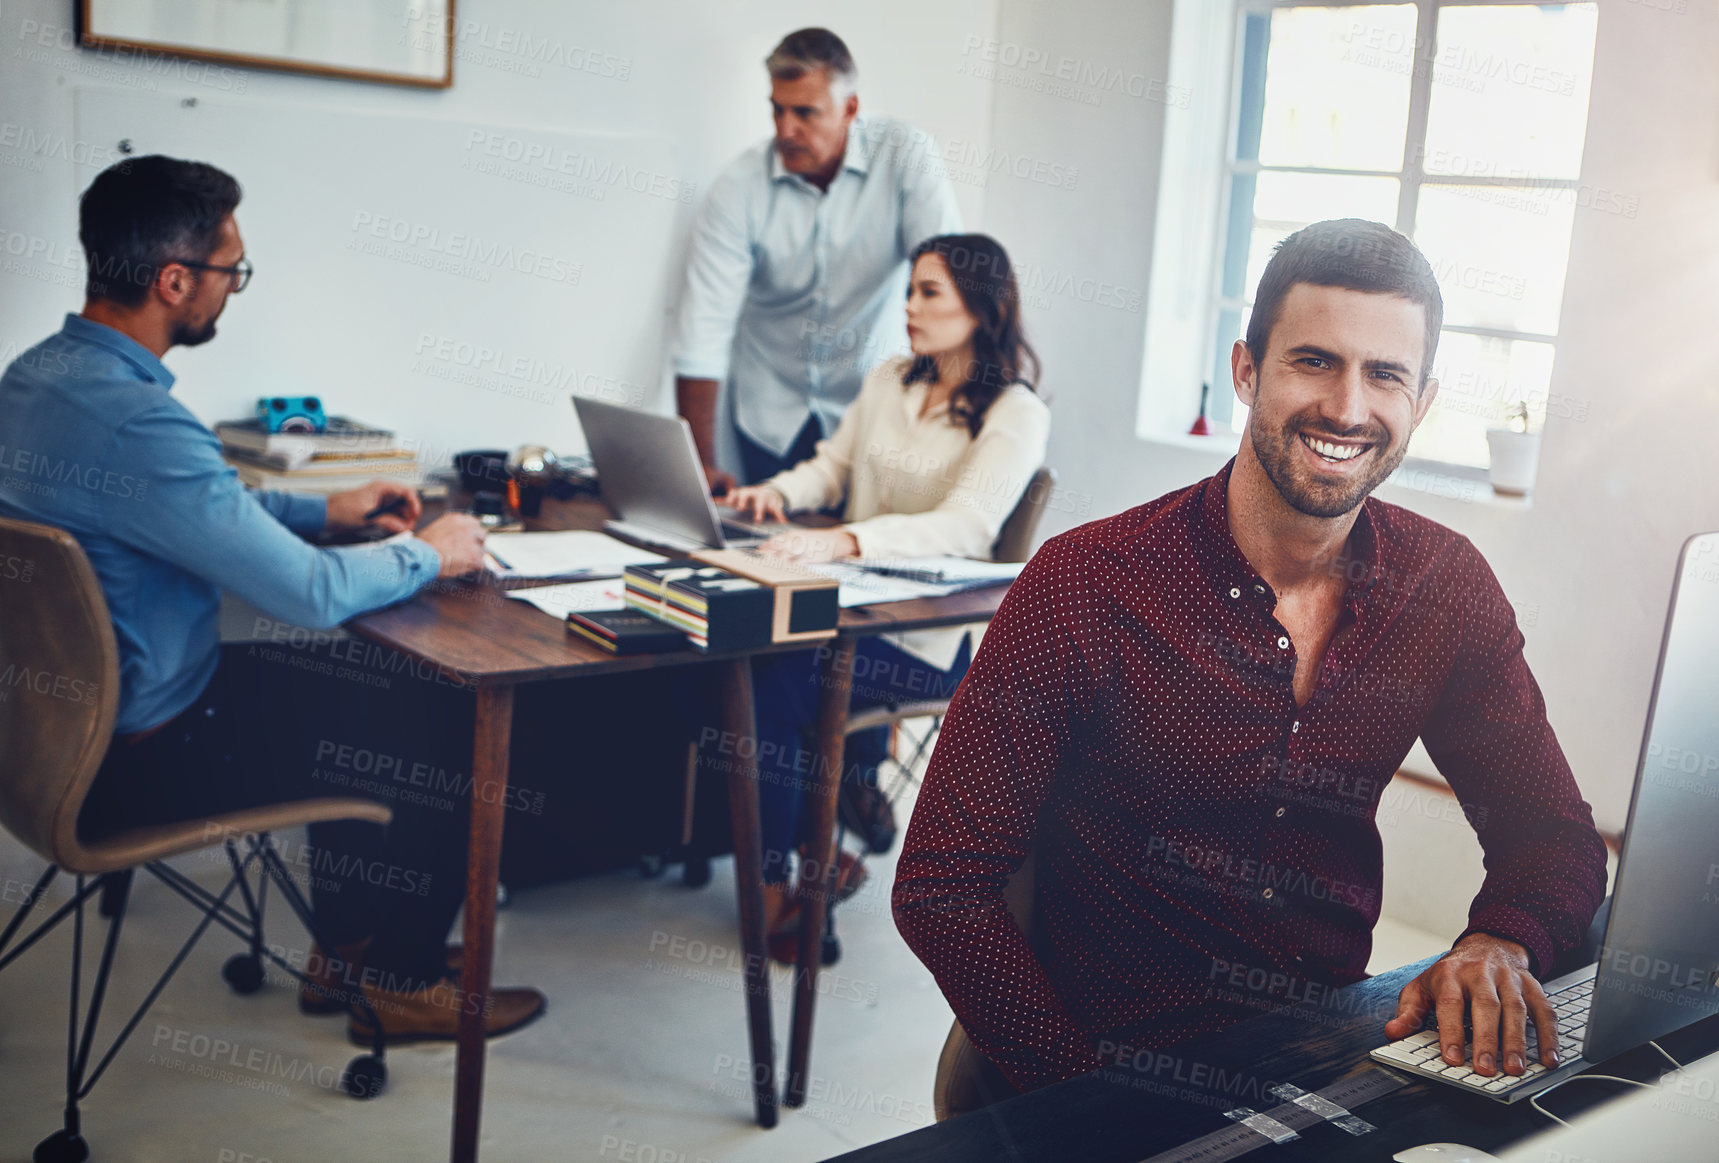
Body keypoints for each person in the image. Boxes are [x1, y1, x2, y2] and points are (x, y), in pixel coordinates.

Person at [893, 219, 1608, 1097]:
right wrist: (1076, 1095)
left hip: (1321, 1053)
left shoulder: (1444, 587)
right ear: (1246, 370)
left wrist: (1499, 940)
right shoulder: (1084, 582)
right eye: (1313, 360)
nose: (1347, 407)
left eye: (1384, 373)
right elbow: (942, 885)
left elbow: (1554, 836)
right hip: (1089, 1062)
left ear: (1420, 402)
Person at [0, 155, 546, 1044]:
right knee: (440, 714)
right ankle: (399, 981)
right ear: (174, 280)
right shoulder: (139, 420)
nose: (233, 290)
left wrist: (325, 504)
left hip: (45, 741)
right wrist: (425, 550)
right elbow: (309, 590)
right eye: (230, 271)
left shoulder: (35, 381)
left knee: (347, 687)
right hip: (135, 764)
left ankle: (349, 949)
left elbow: (184, 509)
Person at [724, 233, 1050, 956]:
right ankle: (803, 854)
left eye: (928, 292)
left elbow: (968, 524)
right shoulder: (888, 380)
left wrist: (846, 540)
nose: (908, 306)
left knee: (773, 677)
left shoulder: (1016, 411)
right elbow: (829, 467)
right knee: (740, 656)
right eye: (908, 290)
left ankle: (785, 887)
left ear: (981, 304)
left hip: (927, 644)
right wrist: (769, 493)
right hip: (848, 613)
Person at [673, 27, 962, 494]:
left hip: (872, 410)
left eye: (805, 112)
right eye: (777, 109)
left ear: (850, 109)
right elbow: (702, 333)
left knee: (857, 550)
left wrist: (939, 426)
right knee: (771, 550)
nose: (786, 129)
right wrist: (700, 467)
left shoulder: (905, 158)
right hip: (770, 414)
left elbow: (946, 286)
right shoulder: (738, 188)